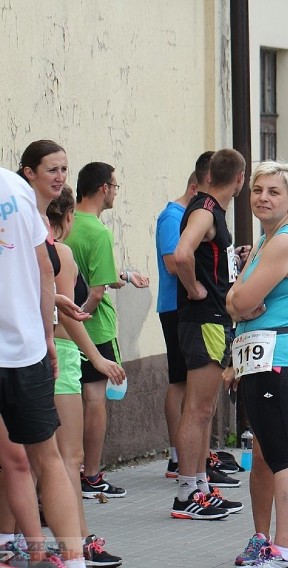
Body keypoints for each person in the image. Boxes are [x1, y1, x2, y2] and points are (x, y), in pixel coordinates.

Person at [225, 161, 288, 568]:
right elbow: (232, 300)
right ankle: (277, 545)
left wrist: (239, 304)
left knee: (283, 455)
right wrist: (239, 303)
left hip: (275, 358)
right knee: (268, 452)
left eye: (274, 192)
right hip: (260, 356)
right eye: (258, 190)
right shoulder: (268, 239)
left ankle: (286, 550)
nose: (263, 197)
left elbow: (240, 302)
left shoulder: (284, 241)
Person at [0, 165, 86, 567]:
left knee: (41, 459)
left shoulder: (15, 187)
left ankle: (69, 557)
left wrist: (48, 338)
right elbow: (44, 268)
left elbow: (44, 269)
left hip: (23, 349)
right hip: (25, 350)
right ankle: (43, 551)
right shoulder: (16, 188)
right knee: (26, 460)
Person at [42, 184, 125, 567]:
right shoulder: (60, 253)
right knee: (67, 459)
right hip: (63, 361)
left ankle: (48, 541)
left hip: (36, 360)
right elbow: (66, 319)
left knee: (32, 461)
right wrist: (98, 358)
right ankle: (76, 542)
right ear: (69, 218)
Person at [65, 161, 149, 500]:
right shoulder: (98, 231)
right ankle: (92, 475)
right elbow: (97, 291)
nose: (115, 192)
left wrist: (126, 277)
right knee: (95, 399)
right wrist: (80, 316)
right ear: (103, 188)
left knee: (69, 398)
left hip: (62, 331)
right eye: (114, 186)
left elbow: (100, 274)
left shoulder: (68, 223)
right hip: (95, 330)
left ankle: (72, 471)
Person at [171, 148, 246, 520]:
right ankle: (186, 493)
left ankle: (200, 485)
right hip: (204, 318)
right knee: (198, 409)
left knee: (205, 409)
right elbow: (182, 253)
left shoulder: (208, 207)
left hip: (212, 319)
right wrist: (195, 287)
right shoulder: (205, 210)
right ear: (240, 179)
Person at [156, 167, 200, 478]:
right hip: (175, 306)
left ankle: (193, 455)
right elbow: (173, 263)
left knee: (189, 382)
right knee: (179, 381)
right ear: (197, 188)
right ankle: (176, 455)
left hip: (189, 308)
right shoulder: (173, 216)